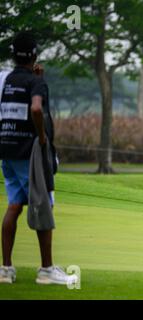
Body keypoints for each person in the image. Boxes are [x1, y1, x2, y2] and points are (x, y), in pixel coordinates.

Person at [0, 32, 76, 285]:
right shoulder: (36, 83)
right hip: (29, 152)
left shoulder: (6, 79)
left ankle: (6, 269)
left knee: (14, 205)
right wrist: (42, 137)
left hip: (7, 149)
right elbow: (35, 108)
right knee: (44, 204)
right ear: (34, 55)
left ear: (13, 54)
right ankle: (46, 270)